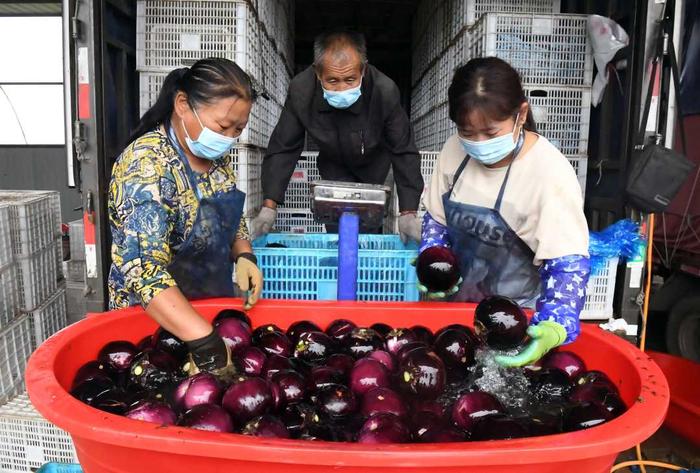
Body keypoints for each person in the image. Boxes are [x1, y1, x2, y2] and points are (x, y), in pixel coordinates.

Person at [419, 57, 591, 367]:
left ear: (521, 114)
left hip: (516, 322)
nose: (478, 143)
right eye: (467, 132)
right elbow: (436, 219)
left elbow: (567, 265)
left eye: (490, 132)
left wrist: (553, 325)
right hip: (454, 313)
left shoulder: (548, 173)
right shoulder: (453, 152)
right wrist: (433, 257)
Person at [108, 58, 263, 377]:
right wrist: (205, 342)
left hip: (206, 311)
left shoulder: (217, 163)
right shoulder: (146, 165)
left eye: (238, 129)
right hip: (153, 327)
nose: (229, 138)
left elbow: (231, 218)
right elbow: (143, 269)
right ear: (182, 104)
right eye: (223, 127)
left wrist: (244, 254)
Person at [252, 30, 424, 241]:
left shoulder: (384, 90)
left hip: (373, 164)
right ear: (317, 72)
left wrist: (408, 211)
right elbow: (284, 146)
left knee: (367, 230)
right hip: (333, 165)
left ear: (363, 69)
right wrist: (269, 205)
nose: (342, 88)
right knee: (335, 229)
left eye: (350, 79)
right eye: (332, 81)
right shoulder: (301, 90)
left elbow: (403, 150)